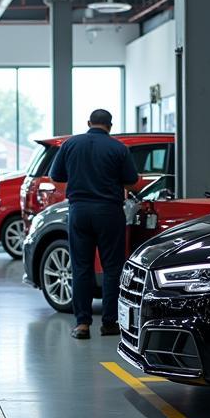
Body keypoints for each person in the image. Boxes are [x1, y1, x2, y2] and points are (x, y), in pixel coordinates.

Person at [50, 109, 138, 341]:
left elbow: (55, 176)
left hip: (79, 211)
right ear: (110, 125)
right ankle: (109, 323)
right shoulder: (119, 148)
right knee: (112, 267)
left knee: (81, 267)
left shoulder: (70, 144)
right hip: (109, 212)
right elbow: (131, 180)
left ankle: (82, 324)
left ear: (89, 122)